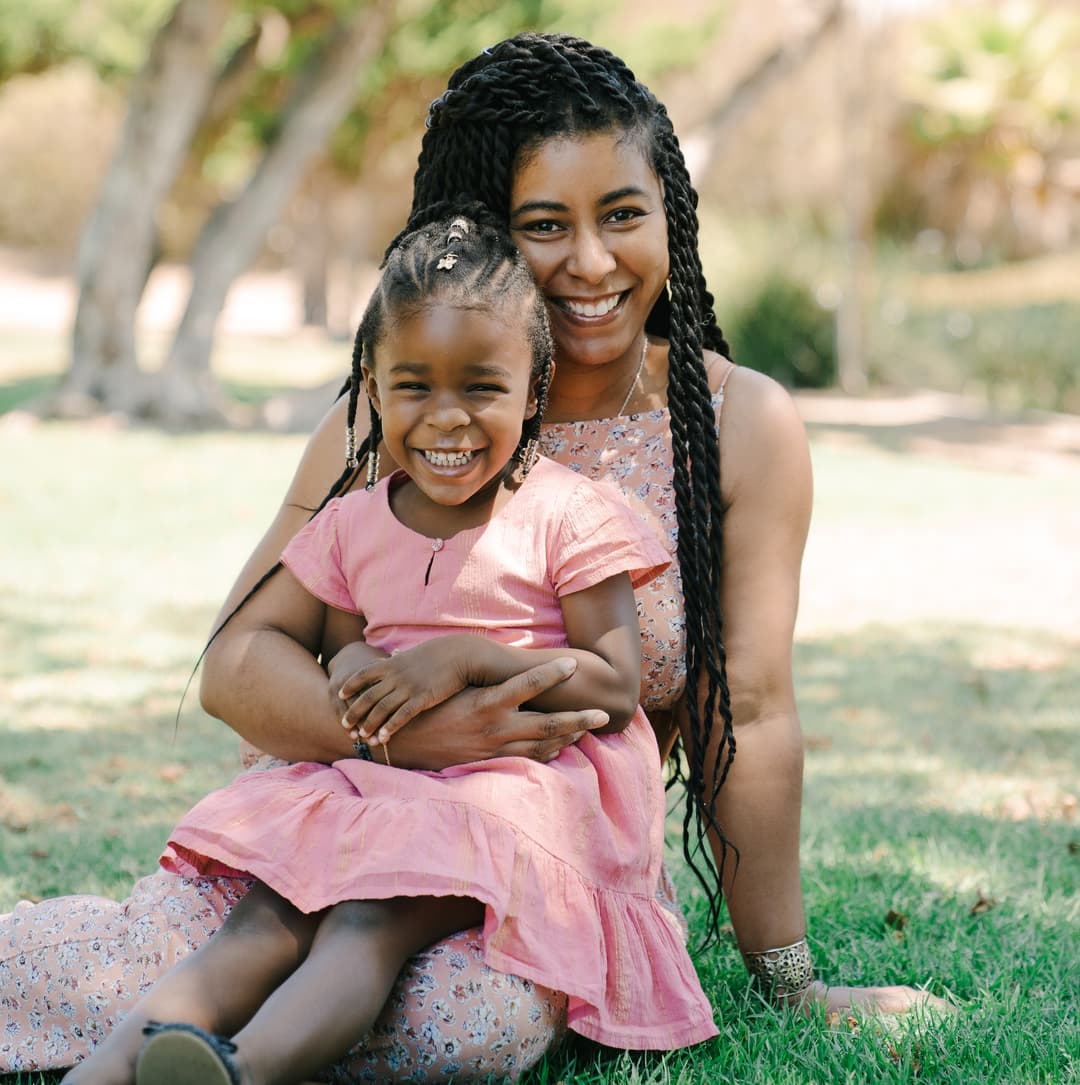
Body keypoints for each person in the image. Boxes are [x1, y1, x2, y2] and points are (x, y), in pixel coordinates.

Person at [1, 30, 947, 1084]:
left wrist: (790, 977)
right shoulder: (399, 415)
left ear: (669, 216)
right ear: (480, 234)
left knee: (461, 1024)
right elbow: (238, 662)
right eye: (545, 225)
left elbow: (754, 712)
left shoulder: (734, 425)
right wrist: (414, 740)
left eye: (623, 215)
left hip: (530, 869)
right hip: (328, 832)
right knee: (130, 967)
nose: (591, 261)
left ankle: (216, 1056)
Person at [60, 211, 716, 1085]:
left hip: (510, 796)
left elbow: (614, 682)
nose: (448, 418)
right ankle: (104, 1075)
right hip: (376, 782)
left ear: (532, 388)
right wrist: (365, 670)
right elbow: (344, 646)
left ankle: (240, 1072)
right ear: (372, 386)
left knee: (369, 918)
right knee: (263, 921)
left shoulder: (570, 513)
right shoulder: (352, 522)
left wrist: (470, 659)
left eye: (482, 387)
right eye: (415, 386)